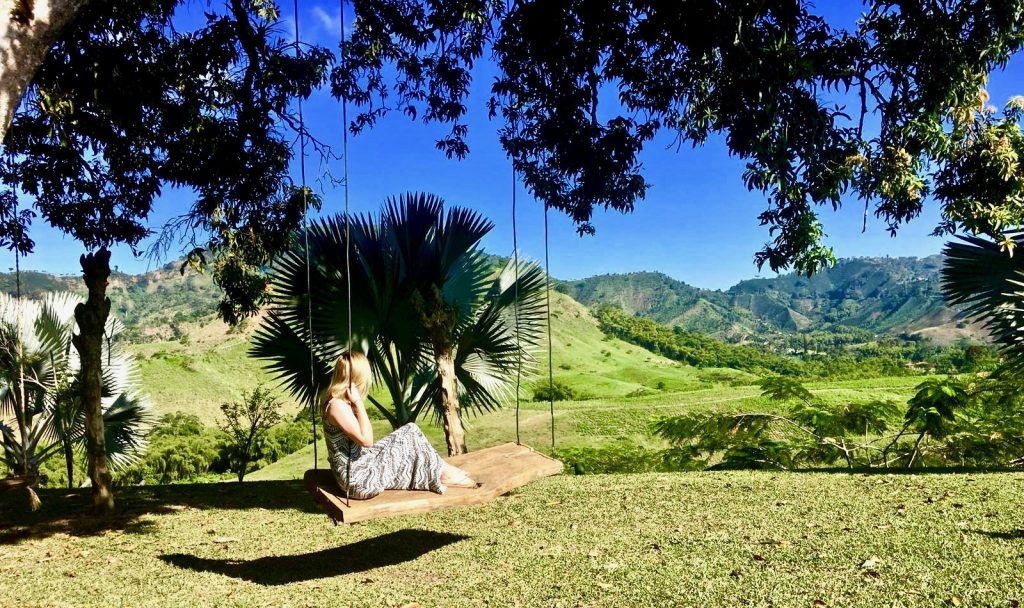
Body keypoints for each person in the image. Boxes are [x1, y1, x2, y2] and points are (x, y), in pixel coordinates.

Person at [321, 351, 477, 499]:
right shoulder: (337, 406)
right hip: (359, 481)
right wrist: (358, 403)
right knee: (410, 434)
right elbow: (367, 441)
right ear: (357, 379)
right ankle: (443, 473)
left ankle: (441, 469)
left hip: (360, 465)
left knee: (411, 429)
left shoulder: (337, 402)